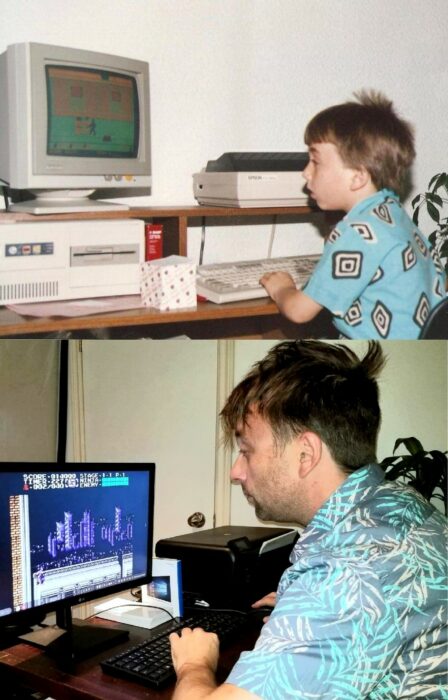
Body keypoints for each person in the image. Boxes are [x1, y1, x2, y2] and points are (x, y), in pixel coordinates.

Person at [169, 340, 448, 699]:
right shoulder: (397, 502)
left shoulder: (346, 578)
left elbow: (350, 587)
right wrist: (298, 604)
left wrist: (194, 664)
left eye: (246, 452)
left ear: (305, 453)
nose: (235, 472)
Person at [259, 91, 446, 340]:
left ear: (358, 176)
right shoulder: (392, 211)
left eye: (315, 161)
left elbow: (299, 311)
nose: (306, 173)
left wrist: (282, 289)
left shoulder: (358, 230)